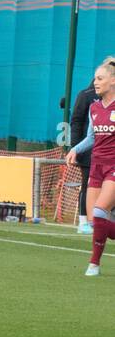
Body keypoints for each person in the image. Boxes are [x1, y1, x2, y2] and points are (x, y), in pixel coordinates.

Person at [65, 60, 115, 276]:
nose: (95, 82)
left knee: (99, 210)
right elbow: (91, 137)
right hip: (96, 165)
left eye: (100, 78)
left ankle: (93, 263)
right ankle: (95, 263)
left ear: (113, 81)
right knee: (97, 222)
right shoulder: (94, 107)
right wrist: (75, 149)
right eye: (95, 78)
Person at [71, 76, 100, 235]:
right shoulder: (86, 95)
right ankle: (84, 221)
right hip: (88, 152)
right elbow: (76, 122)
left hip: (108, 154)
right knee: (88, 185)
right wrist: (75, 148)